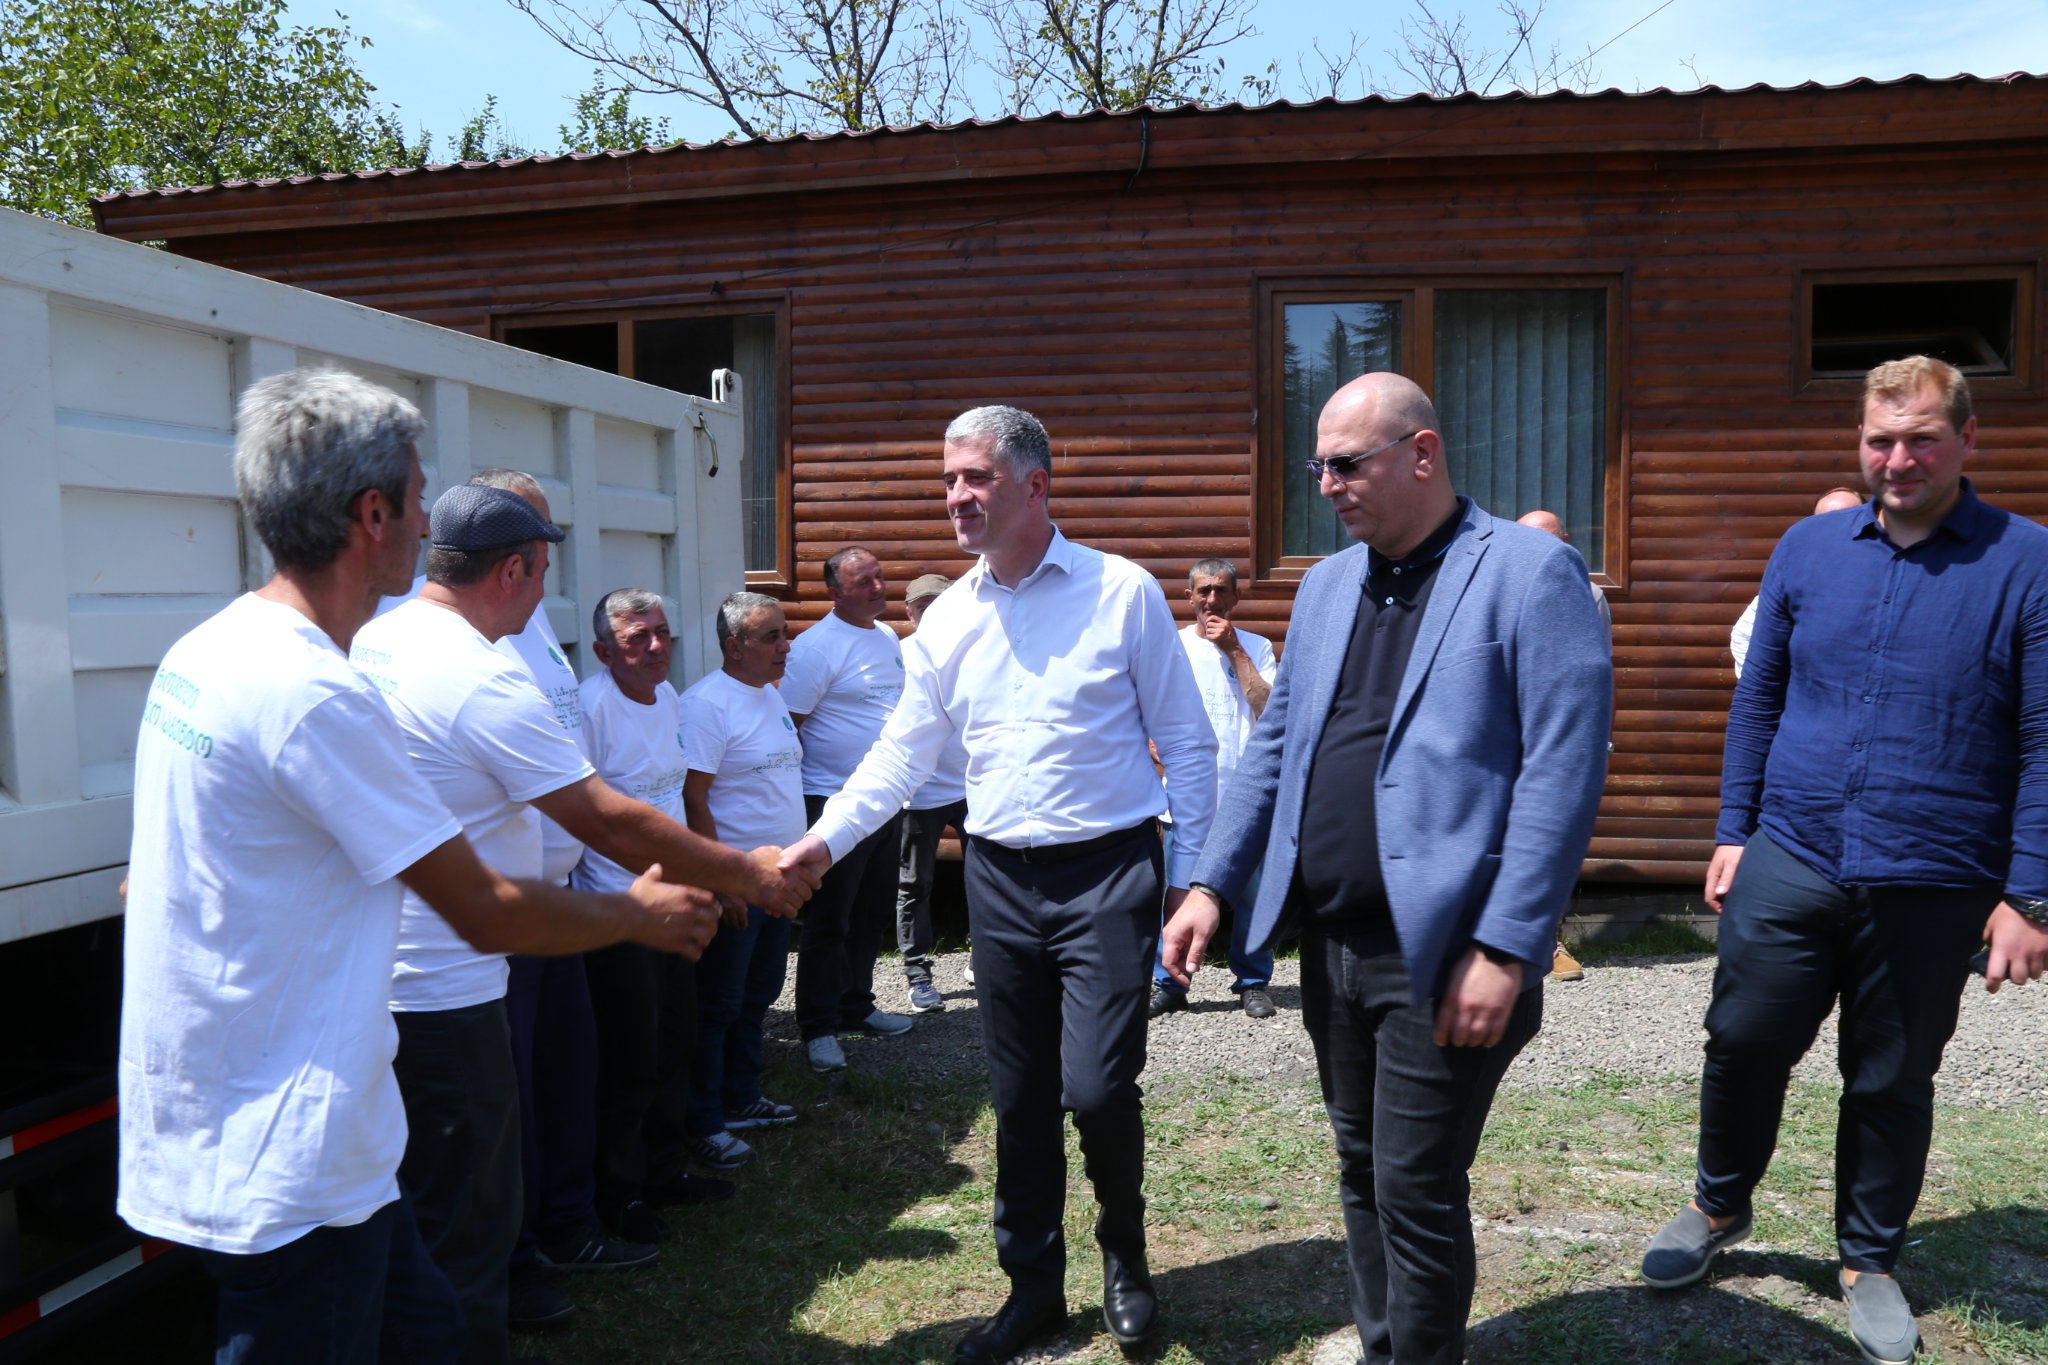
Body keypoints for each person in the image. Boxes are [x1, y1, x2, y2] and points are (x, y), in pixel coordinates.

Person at [117, 369, 723, 1365]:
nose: (427, 525)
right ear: (372, 516)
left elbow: (145, 881)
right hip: (288, 1152)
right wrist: (640, 914)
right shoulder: (314, 692)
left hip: (305, 1126)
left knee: (437, 1326)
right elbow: (483, 909)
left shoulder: (209, 650)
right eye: (416, 497)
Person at [1162, 372, 1612, 1365]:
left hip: (1446, 950)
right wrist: (1210, 884)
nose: (1325, 484)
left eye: (1345, 464)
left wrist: (1507, 946)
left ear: (1421, 454)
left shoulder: (1529, 572)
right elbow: (1275, 751)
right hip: (1332, 943)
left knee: (1413, 1183)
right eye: (1317, 465)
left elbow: (1561, 773)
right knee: (1363, 1169)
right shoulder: (1327, 586)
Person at [782, 405, 1218, 1362]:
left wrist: (1193, 883)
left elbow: (1188, 744)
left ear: (1034, 485)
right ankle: (1033, 1288)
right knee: (1018, 1096)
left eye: (975, 477)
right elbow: (901, 755)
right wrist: (822, 842)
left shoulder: (1121, 591)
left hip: (1107, 872)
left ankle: (1125, 1256)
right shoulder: (947, 617)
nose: (956, 497)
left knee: (1096, 1089)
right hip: (999, 879)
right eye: (948, 480)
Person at [1640, 356, 2048, 1365]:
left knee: (1891, 1075)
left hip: (1937, 872)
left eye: (1920, 439)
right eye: (1879, 439)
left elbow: (2045, 735)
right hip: (1792, 850)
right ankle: (1717, 1204)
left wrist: (2030, 895)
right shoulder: (1807, 548)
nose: (1897, 459)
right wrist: (1732, 830)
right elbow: (1760, 698)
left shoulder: (2026, 561)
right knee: (1741, 1038)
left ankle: (1867, 1259)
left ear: (1966, 440)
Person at [352, 484, 814, 1362]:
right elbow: (605, 818)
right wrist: (745, 871)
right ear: (514, 570)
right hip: (454, 975)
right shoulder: (477, 672)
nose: (544, 592)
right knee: (467, 1222)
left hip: (404, 958)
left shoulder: (384, 637)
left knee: (429, 1207)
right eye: (542, 572)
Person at [680, 593, 809, 1169]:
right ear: (735, 647)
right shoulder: (707, 706)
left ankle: (741, 1095)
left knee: (758, 994)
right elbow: (693, 799)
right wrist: (722, 880)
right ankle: (704, 1118)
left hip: (776, 879)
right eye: (772, 636)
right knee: (718, 1004)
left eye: (785, 633)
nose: (786, 646)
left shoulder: (769, 694)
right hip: (738, 884)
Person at [782, 545, 914, 1072]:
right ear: (835, 592)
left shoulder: (886, 637)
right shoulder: (816, 648)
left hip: (884, 800)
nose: (879, 588)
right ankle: (817, 1027)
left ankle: (855, 1005)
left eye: (880, 576)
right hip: (832, 801)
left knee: (871, 912)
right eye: (864, 582)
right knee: (829, 920)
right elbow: (787, 725)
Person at [1148, 557, 1279, 1019]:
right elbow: (1146, 704)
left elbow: (1271, 712)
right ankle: (1170, 981)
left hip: (1245, 795)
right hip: (1185, 796)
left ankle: (1253, 981)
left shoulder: (1257, 647)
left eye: (1221, 590)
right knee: (1176, 892)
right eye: (1203, 590)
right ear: (1189, 597)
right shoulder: (1173, 646)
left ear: (1235, 597)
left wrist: (1233, 650)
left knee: (1254, 896)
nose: (1212, 599)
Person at [1515, 507, 1616, 985]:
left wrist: (1596, 738)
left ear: (1567, 542)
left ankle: (1548, 942)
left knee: (1550, 836)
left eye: (1549, 541)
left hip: (1556, 738)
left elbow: (1596, 674)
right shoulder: (1491, 588)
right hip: (1500, 737)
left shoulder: (1588, 594)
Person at [895, 572, 969, 1014]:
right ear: (909, 613)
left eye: (939, 604)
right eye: (923, 607)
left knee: (991, 878)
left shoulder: (972, 650)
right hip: (919, 792)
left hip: (972, 784)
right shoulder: (898, 656)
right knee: (914, 884)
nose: (932, 613)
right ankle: (917, 972)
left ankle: (985, 958)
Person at [1727, 486, 1868, 678]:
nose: (1836, 529)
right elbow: (1744, 635)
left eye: (1847, 518)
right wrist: (1769, 688)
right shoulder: (1796, 576)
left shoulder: (1887, 570)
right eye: (1824, 522)